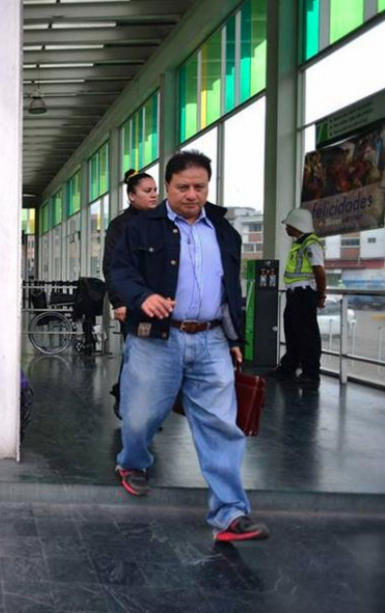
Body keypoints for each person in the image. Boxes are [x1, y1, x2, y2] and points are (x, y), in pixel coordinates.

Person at [109, 150, 269, 542]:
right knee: (141, 415)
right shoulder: (140, 228)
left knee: (220, 425)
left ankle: (230, 514)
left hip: (212, 338)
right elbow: (118, 270)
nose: (192, 194)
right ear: (167, 187)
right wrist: (141, 296)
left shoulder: (224, 230)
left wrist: (234, 339)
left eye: (200, 186)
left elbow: (232, 289)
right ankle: (133, 462)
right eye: (183, 187)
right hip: (157, 338)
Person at [104, 169, 159, 419]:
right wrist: (118, 301)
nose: (154, 195)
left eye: (156, 190)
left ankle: (128, 396)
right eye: (147, 191)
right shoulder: (120, 226)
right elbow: (112, 266)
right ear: (131, 196)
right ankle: (136, 408)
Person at [272, 207, 325, 389]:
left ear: (297, 224)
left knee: (308, 335)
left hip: (305, 294)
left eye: (288, 225)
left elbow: (319, 271)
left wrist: (321, 295)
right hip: (294, 294)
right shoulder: (298, 243)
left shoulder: (311, 243)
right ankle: (289, 366)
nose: (286, 228)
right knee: (292, 331)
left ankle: (311, 373)